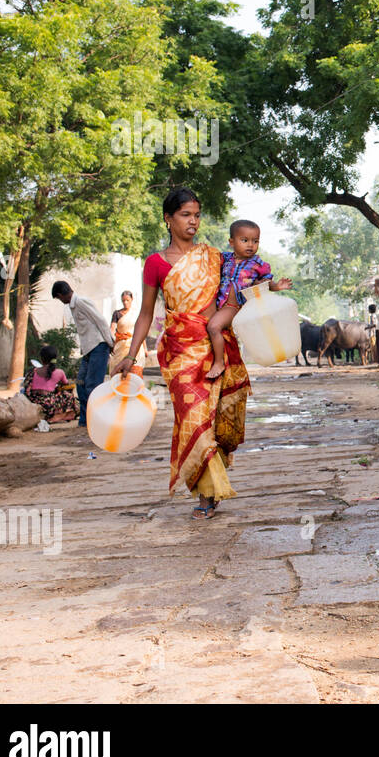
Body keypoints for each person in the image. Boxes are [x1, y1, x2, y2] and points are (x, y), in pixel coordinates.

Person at [116, 188, 252, 520]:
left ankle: (213, 480)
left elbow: (239, 289)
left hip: (217, 346)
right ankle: (207, 492)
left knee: (220, 421)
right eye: (185, 215)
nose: (193, 221)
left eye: (196, 215)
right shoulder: (156, 263)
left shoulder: (214, 257)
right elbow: (146, 313)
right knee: (193, 420)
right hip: (179, 351)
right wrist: (132, 355)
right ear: (168, 218)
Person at [206, 220, 292, 381]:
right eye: (244, 240)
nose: (250, 245)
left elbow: (266, 283)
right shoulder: (224, 259)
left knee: (213, 327)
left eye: (255, 241)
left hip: (235, 306)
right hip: (219, 303)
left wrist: (277, 286)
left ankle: (218, 363)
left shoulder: (258, 264)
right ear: (231, 242)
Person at [50, 280, 114, 427]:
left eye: (59, 299)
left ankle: (97, 420)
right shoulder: (73, 306)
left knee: (93, 386)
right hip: (88, 350)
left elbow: (101, 321)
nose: (61, 301)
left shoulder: (81, 302)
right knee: (80, 383)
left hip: (99, 346)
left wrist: (111, 342)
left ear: (61, 295)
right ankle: (85, 420)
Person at [23, 345, 78, 423]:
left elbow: (26, 388)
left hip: (32, 402)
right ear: (55, 358)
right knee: (68, 396)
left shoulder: (32, 372)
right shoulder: (59, 372)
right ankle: (60, 416)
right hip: (49, 406)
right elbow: (66, 385)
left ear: (41, 358)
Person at [107, 290, 145, 376]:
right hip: (120, 345)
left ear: (132, 299)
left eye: (127, 300)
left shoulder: (136, 314)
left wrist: (145, 349)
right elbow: (112, 329)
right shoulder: (117, 314)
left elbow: (140, 331)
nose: (125, 302)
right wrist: (111, 343)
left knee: (134, 372)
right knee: (117, 372)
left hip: (134, 345)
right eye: (123, 300)